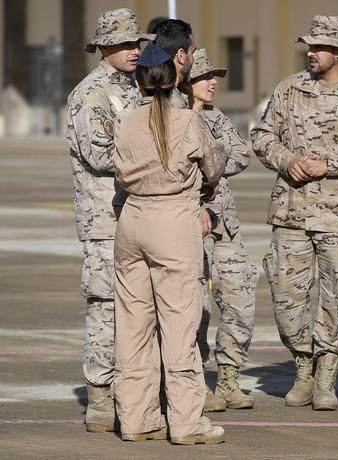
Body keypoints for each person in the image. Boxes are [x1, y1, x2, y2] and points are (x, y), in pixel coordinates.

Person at [251, 15, 338, 411]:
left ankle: (325, 375)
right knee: (287, 299)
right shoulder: (288, 89)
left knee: (336, 298)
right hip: (290, 214)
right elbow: (262, 136)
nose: (312, 52)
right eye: (309, 46)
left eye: (321, 47)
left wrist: (330, 164)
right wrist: (286, 160)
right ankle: (302, 366)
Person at [112, 42, 226, 444]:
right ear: (175, 77)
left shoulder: (126, 121)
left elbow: (119, 173)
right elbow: (214, 164)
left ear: (139, 81)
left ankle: (137, 418)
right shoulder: (187, 122)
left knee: (133, 326)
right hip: (173, 219)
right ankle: (186, 421)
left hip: (132, 220)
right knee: (179, 322)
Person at [65, 7, 153, 433]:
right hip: (105, 219)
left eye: (136, 43)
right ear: (103, 47)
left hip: (140, 215)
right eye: (123, 44)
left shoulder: (139, 90)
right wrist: (153, 157)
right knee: (105, 308)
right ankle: (100, 397)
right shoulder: (92, 94)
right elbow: (101, 155)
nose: (133, 50)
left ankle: (134, 392)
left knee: (140, 308)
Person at [151, 19, 227, 412]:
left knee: (148, 319)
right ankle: (185, 412)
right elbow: (213, 163)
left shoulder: (144, 101)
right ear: (180, 56)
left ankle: (146, 408)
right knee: (182, 313)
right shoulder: (177, 110)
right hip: (176, 221)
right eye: (194, 55)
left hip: (142, 220)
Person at [182, 48, 258, 409]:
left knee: (241, 300)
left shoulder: (214, 116)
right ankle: (195, 383)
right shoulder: (173, 117)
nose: (213, 82)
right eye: (205, 76)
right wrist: (208, 159)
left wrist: (207, 158)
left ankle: (228, 378)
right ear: (185, 80)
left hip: (224, 225)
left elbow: (242, 154)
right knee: (194, 308)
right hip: (188, 227)